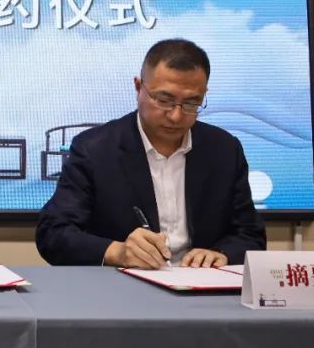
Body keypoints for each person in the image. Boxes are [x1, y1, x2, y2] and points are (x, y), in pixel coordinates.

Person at [36, 38, 265, 268]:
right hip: (124, 283)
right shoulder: (95, 149)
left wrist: (222, 254)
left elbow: (251, 235)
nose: (176, 116)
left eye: (191, 103)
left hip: (203, 282)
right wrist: (117, 252)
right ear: (138, 88)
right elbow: (53, 233)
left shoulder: (224, 149)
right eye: (164, 100)